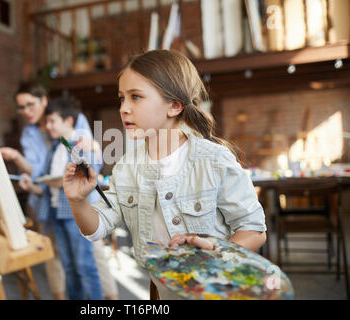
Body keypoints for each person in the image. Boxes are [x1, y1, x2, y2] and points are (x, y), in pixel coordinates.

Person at [62, 50, 267, 299]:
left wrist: (216, 250)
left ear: (174, 106)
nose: (124, 108)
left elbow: (254, 230)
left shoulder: (214, 160)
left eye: (135, 97)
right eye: (121, 98)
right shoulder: (126, 167)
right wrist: (77, 200)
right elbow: (98, 228)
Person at [19, 96, 103, 300]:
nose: (48, 127)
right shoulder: (56, 147)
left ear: (68, 121)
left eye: (52, 121)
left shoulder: (82, 145)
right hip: (57, 213)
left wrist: (93, 148)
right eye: (46, 122)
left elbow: (93, 171)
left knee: (84, 266)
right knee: (68, 267)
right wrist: (32, 186)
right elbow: (47, 187)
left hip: (77, 214)